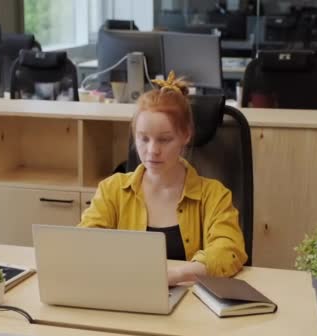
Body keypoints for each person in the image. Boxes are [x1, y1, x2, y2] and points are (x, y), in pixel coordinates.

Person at [78, 71, 248, 285]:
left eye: (164, 140)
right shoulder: (112, 189)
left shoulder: (214, 195)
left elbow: (229, 248)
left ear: (185, 135)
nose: (152, 150)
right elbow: (85, 240)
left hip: (189, 301)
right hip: (127, 293)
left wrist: (176, 275)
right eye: (143, 139)